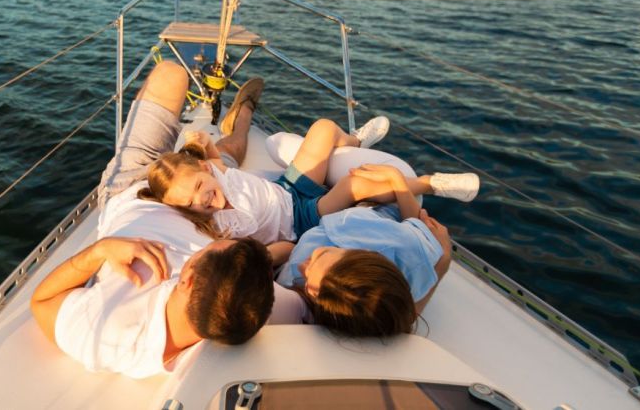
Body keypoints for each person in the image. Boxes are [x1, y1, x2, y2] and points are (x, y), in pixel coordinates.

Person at [30, 62, 305, 379]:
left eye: (211, 248)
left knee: (170, 74)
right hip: (199, 204)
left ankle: (234, 123)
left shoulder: (111, 335)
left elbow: (42, 301)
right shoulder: (243, 303)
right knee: (224, 160)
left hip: (132, 190)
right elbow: (293, 293)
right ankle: (241, 118)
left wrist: (100, 251)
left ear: (187, 278)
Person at [139, 117, 479, 243]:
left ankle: (355, 141)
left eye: (198, 187)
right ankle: (431, 183)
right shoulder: (218, 227)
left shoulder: (216, 171)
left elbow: (214, 157)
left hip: (288, 188)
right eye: (188, 204)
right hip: (302, 219)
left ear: (204, 172)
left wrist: (207, 141)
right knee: (354, 184)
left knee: (323, 127)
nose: (201, 200)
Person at [275, 164, 456, 338]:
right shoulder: (405, 256)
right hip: (391, 211)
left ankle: (423, 182)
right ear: (359, 252)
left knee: (354, 176)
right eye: (321, 255)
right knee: (374, 175)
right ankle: (427, 183)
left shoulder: (293, 284)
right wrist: (397, 180)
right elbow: (416, 228)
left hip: (351, 207)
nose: (301, 266)